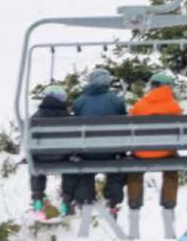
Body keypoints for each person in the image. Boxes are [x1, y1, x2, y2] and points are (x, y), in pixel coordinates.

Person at [125, 71, 183, 239]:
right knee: (172, 169)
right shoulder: (174, 106)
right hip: (166, 152)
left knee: (134, 171)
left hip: (141, 153)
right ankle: (168, 207)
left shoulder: (140, 105)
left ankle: (134, 208)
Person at [72, 69, 127, 217]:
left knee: (84, 170)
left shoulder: (79, 102)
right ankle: (113, 199)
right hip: (112, 151)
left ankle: (85, 198)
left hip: (87, 151)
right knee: (116, 170)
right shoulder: (116, 100)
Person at [29, 85, 79, 219]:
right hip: (63, 157)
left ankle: (37, 199)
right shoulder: (68, 117)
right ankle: (66, 202)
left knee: (35, 163)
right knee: (70, 165)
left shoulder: (34, 117)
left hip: (40, 157)